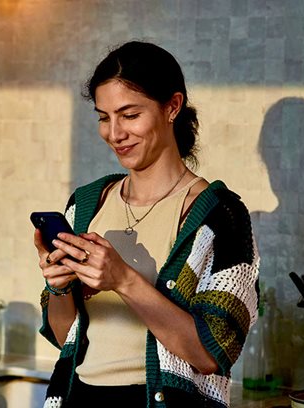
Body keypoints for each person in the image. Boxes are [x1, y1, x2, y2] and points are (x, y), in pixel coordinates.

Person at [33, 41, 260, 408]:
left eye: (130, 114)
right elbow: (65, 338)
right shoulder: (88, 204)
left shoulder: (219, 216)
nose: (115, 133)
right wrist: (58, 287)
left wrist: (123, 279)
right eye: (104, 117)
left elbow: (212, 352)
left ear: (172, 106)